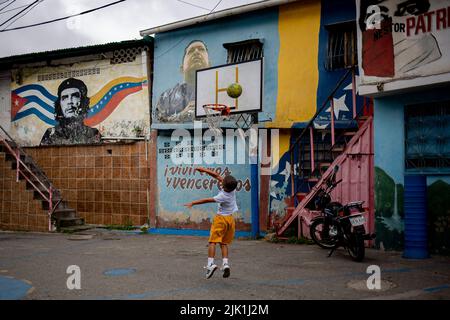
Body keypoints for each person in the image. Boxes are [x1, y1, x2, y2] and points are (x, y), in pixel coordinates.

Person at [184, 167, 238, 279]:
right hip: (230, 220)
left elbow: (206, 200)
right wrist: (204, 170)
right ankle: (225, 263)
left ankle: (210, 264)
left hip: (221, 220)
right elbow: (217, 175)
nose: (220, 180)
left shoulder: (222, 196)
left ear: (223, 185)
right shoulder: (232, 190)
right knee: (223, 243)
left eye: (222, 181)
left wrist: (193, 203)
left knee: (212, 241)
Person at [156, 40, 210, 122]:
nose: (196, 52)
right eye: (191, 51)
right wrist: (182, 115)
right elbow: (159, 121)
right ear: (182, 68)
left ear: (210, 65)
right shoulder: (167, 96)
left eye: (201, 49)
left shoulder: (220, 92)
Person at [40, 78, 101, 145]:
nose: (70, 102)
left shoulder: (93, 133)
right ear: (59, 104)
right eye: (65, 97)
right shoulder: (50, 134)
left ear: (83, 102)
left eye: (75, 96)